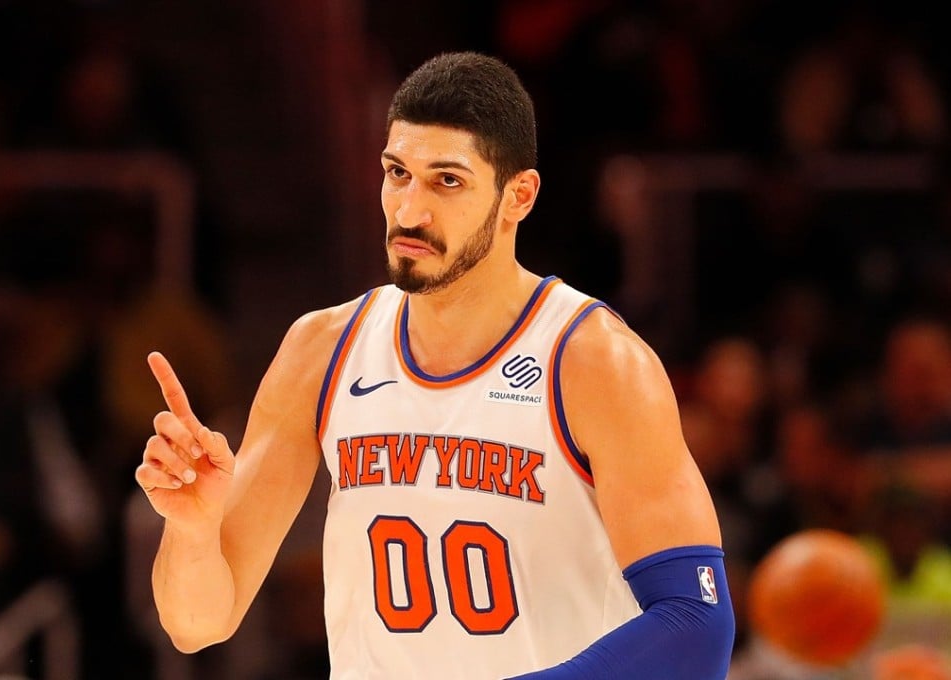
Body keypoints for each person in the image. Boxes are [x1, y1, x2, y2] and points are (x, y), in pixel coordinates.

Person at [135, 51, 735, 678]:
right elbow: (196, 623)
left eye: (447, 181)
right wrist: (195, 531)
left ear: (518, 196)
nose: (410, 212)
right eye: (398, 173)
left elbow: (696, 627)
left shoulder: (593, 361)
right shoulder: (322, 348)